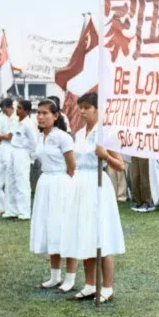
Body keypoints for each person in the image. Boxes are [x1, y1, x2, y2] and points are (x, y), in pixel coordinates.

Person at [61, 93, 125, 303]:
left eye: (87, 107)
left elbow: (121, 165)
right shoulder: (79, 134)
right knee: (84, 234)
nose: (82, 111)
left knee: (101, 235)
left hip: (98, 185)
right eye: (80, 107)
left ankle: (107, 287)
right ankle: (89, 284)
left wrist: (105, 156)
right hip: (81, 184)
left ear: (98, 110)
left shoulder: (106, 133)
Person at [31, 99, 78, 290]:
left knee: (65, 229)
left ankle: (70, 278)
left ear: (56, 115)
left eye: (45, 113)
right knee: (50, 228)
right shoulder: (40, 136)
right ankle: (55, 276)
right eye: (39, 113)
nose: (41, 117)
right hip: (46, 183)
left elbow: (72, 166)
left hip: (61, 184)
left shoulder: (63, 137)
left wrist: (64, 185)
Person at [2, 99, 37, 220]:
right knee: (10, 181)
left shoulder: (29, 124)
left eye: (20, 108)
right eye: (17, 107)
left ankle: (24, 212)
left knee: (22, 182)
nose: (17, 110)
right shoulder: (16, 121)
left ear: (26, 111)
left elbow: (33, 143)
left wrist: (31, 158)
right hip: (13, 150)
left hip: (23, 153)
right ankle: (11, 210)